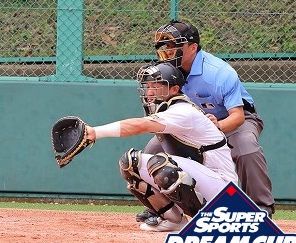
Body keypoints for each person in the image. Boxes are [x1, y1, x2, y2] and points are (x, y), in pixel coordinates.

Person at [136, 19, 275, 223]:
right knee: (153, 150)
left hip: (231, 120)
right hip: (192, 123)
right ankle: (161, 208)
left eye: (174, 45)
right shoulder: (165, 71)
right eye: (165, 46)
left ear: (193, 47)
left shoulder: (218, 72)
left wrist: (217, 126)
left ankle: (261, 207)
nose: (168, 51)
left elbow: (237, 116)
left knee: (246, 148)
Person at [87, 61, 238, 232]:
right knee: (130, 164)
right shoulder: (170, 110)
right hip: (204, 181)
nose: (149, 92)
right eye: (148, 86)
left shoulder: (183, 111)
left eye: (156, 86)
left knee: (160, 165)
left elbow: (140, 125)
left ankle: (210, 222)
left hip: (223, 191)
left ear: (174, 89)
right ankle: (173, 220)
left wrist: (94, 132)